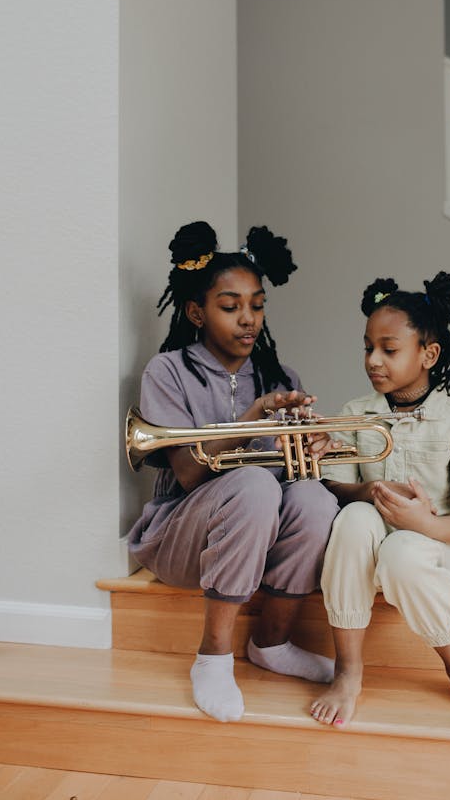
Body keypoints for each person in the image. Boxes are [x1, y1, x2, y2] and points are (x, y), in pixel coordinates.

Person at [128, 220, 340, 723]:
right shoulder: (168, 371)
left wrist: (316, 449)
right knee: (251, 483)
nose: (248, 319)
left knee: (315, 499)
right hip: (181, 537)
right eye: (231, 307)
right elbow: (188, 473)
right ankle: (214, 657)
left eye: (257, 305)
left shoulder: (280, 376)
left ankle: (272, 643)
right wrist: (253, 418)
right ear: (197, 312)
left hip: (256, 541)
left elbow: (295, 477)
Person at [311, 272, 450, 728]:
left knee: (403, 551)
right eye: (368, 347)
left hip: (439, 545)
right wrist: (367, 491)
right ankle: (347, 670)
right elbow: (337, 489)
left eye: (389, 349)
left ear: (429, 354)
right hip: (372, 542)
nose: (373, 360)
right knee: (353, 519)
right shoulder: (354, 414)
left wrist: (426, 525)